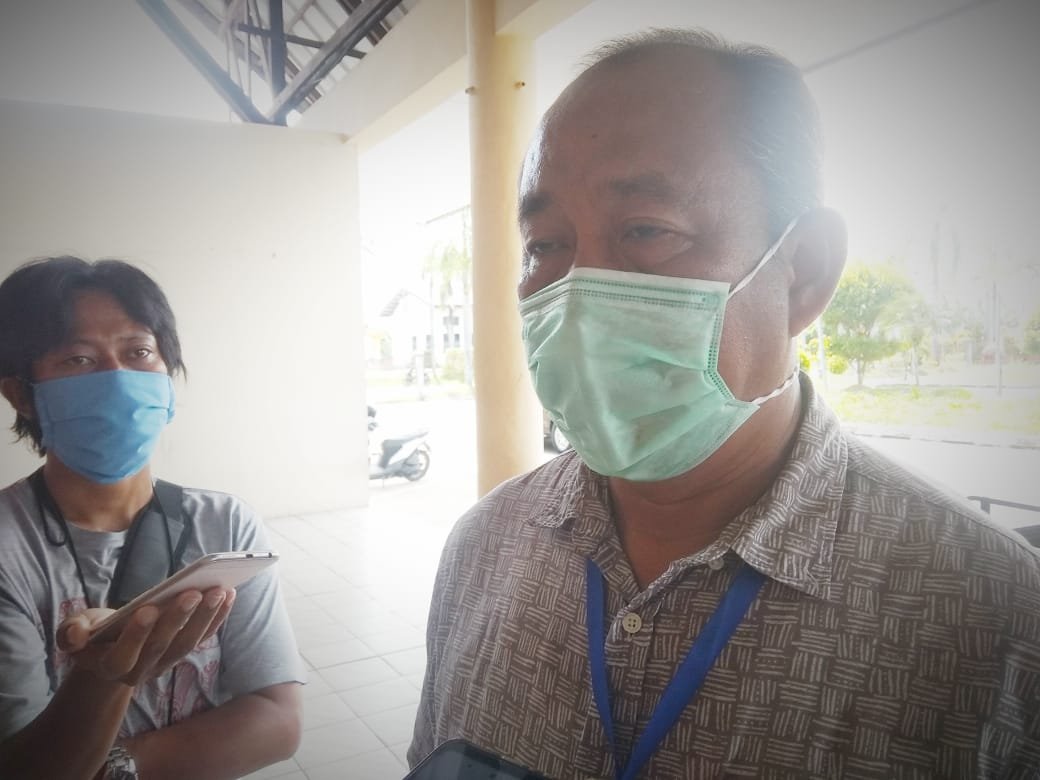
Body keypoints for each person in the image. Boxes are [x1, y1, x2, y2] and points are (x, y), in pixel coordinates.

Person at [409, 29, 1040, 778]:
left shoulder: (992, 617)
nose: (575, 296)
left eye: (646, 230)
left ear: (803, 271)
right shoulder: (482, 546)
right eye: (545, 245)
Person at [0, 257, 306, 779]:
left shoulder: (226, 524)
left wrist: (118, 768)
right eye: (78, 358)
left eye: (139, 352)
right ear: (20, 394)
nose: (118, 379)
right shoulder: (10, 548)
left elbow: (278, 721)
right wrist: (103, 675)